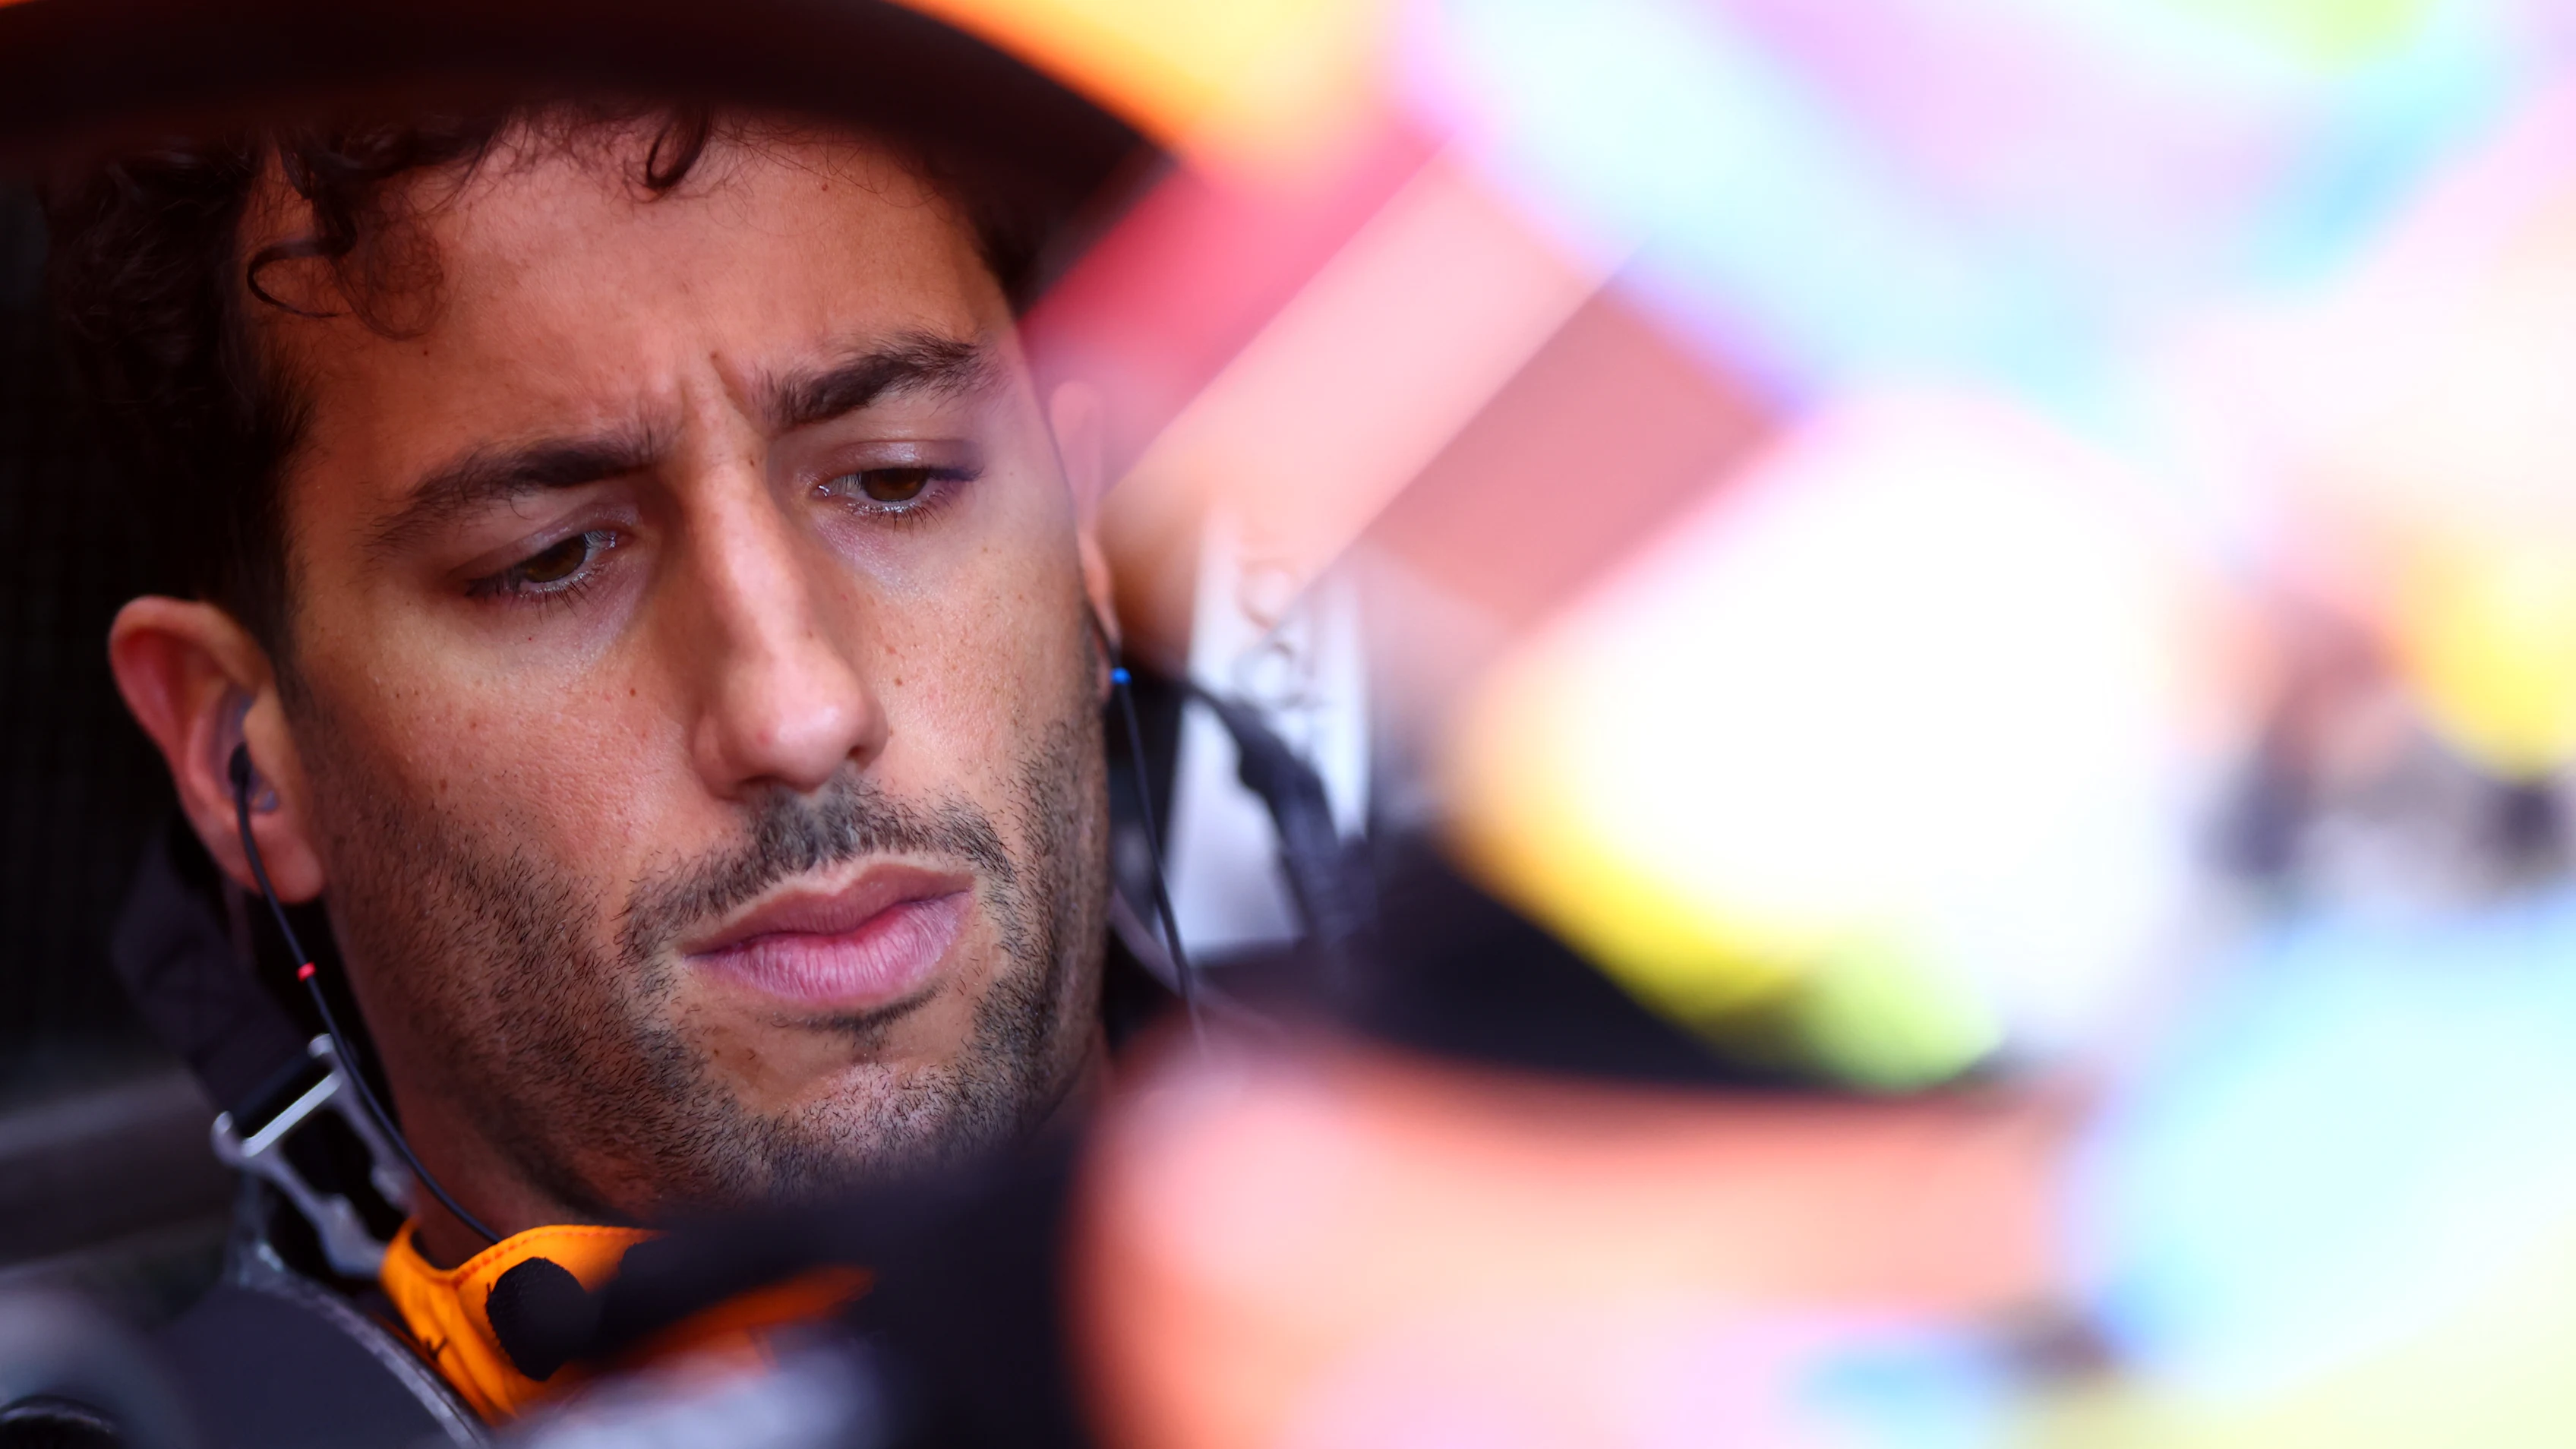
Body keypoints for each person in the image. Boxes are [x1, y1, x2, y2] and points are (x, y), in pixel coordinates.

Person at [39, 97, 1144, 1434]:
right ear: (239, 756)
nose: (795, 713)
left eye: (900, 478)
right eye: (548, 559)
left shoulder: (1466, 1217)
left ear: (1091, 546)